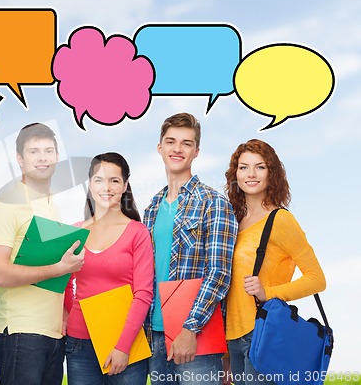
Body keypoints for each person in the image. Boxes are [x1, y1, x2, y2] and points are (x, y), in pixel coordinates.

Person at [0, 123, 85, 385]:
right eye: (34, 151)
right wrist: (59, 269)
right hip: (20, 331)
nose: (43, 157)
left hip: (52, 334)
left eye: (49, 151)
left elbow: (49, 268)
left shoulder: (52, 205)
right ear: (19, 159)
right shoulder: (6, 204)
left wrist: (62, 313)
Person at [143, 112, 238, 385]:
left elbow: (218, 274)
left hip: (196, 338)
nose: (177, 149)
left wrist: (189, 328)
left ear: (196, 151)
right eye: (171, 141)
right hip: (155, 335)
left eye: (186, 143)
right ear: (160, 147)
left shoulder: (213, 202)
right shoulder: (151, 208)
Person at [224, 139, 326, 385]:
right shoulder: (233, 222)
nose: (251, 174)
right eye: (243, 167)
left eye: (260, 167)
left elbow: (317, 279)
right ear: (235, 174)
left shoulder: (280, 220)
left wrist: (268, 292)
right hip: (231, 338)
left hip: (262, 334)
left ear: (272, 173)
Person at [64, 152, 154, 385]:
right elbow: (62, 282)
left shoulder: (137, 232)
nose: (107, 187)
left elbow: (143, 294)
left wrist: (123, 346)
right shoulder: (75, 232)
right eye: (99, 180)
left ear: (124, 185)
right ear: (90, 185)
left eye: (114, 180)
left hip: (126, 344)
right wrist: (66, 316)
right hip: (79, 343)